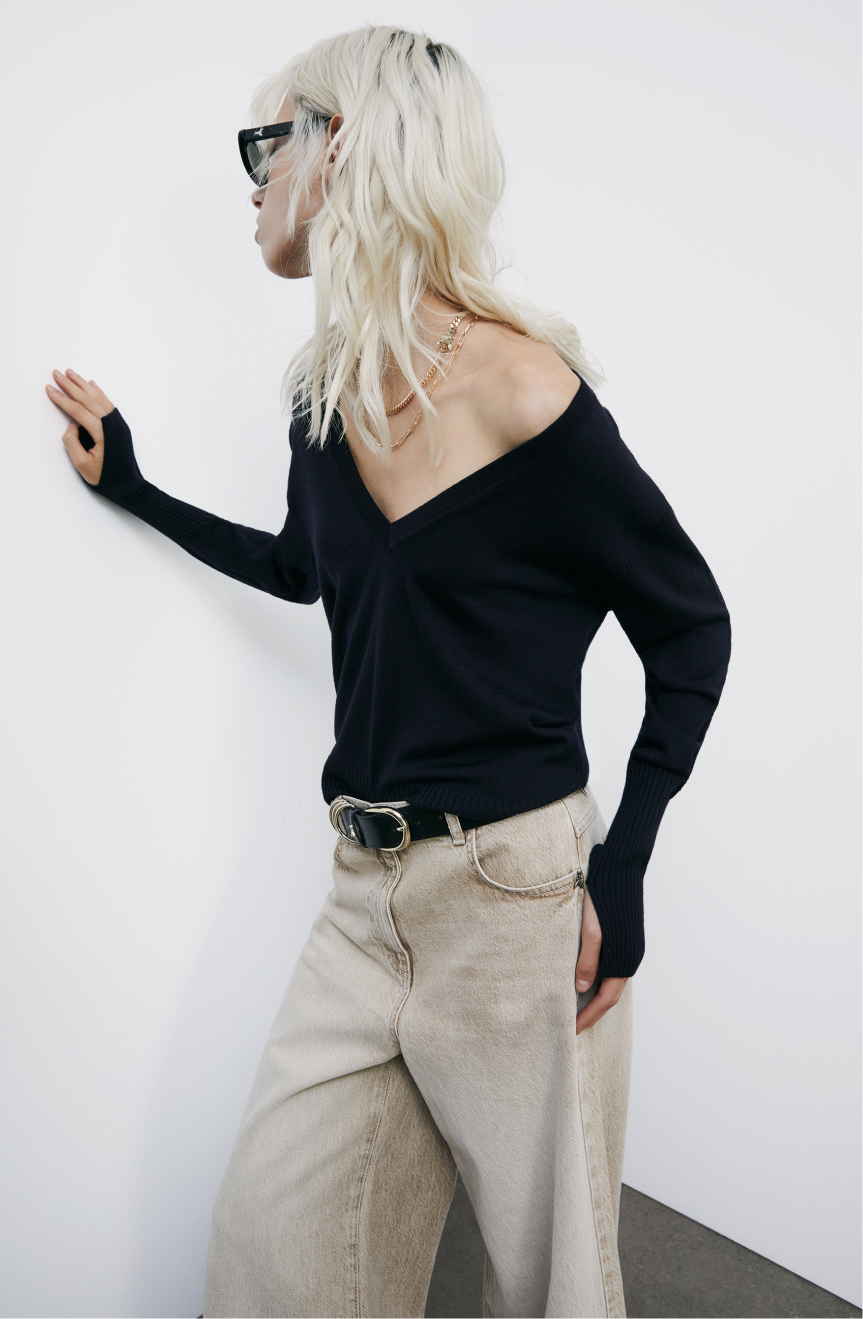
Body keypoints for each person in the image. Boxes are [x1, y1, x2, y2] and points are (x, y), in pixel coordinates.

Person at [44, 25, 732, 1319]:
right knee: (273, 1258)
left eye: (270, 141)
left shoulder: (528, 391)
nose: (255, 178)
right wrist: (133, 488)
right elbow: (304, 570)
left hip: (517, 902)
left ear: (342, 145)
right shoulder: (322, 399)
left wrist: (626, 866)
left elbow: (691, 628)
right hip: (363, 899)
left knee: (556, 1287)